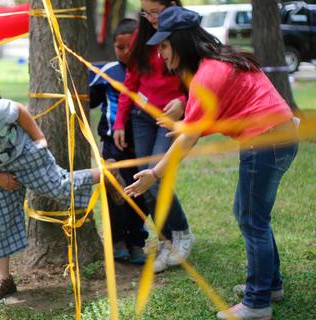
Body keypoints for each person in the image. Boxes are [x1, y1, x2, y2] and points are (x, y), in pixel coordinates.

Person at [127, 7, 298, 319]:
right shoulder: (218, 61)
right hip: (275, 137)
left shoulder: (208, 74)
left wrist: (154, 173)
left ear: (180, 42)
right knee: (252, 216)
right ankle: (269, 285)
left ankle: (258, 303)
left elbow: (189, 139)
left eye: (165, 46)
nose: (161, 53)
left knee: (250, 219)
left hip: (267, 141)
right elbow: (211, 117)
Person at [0, 87, 123, 301]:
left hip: (23, 152)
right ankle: (3, 279)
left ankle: (105, 174)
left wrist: (40, 138)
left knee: (58, 187)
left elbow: (20, 110)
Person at [113, 0, 194, 273]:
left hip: (168, 118)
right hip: (141, 117)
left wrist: (183, 100)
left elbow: (197, 80)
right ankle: (166, 241)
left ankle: (182, 232)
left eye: (155, 12)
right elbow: (131, 82)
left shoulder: (183, 33)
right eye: (145, 12)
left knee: (156, 176)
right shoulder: (143, 34)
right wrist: (119, 121)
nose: (149, 18)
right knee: (143, 180)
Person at [89, 18, 148, 265]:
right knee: (115, 194)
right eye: (120, 48)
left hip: (143, 147)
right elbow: (88, 100)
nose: (125, 53)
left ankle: (136, 242)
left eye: (130, 47)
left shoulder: (149, 71)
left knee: (140, 197)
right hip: (113, 147)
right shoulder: (107, 73)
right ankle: (116, 242)